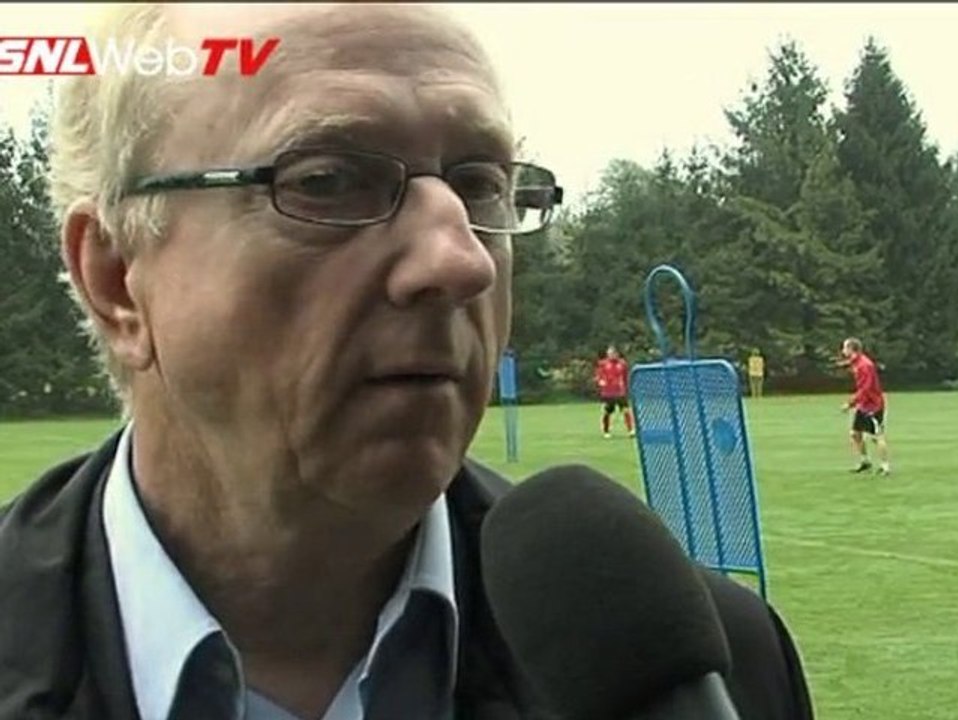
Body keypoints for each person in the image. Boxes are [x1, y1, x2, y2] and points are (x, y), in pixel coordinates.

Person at [0, 4, 813, 719]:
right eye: (326, 181)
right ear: (116, 279)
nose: (461, 261)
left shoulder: (709, 676)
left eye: (481, 183)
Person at [839, 337, 891, 475]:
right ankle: (865, 462)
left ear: (851, 349)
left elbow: (865, 389)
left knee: (876, 436)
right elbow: (851, 364)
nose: (843, 351)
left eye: (845, 348)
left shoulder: (864, 365)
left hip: (873, 405)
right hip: (864, 405)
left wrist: (850, 404)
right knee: (855, 434)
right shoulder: (857, 362)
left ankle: (885, 467)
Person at [594, 344, 635, 439]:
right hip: (608, 393)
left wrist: (625, 388)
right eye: (609, 353)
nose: (611, 355)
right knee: (607, 412)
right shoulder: (603, 364)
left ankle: (631, 431)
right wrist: (601, 381)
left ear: (617, 354)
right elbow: (598, 376)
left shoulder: (622, 364)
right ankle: (606, 431)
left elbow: (625, 377)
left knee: (626, 411)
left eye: (613, 353)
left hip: (620, 392)